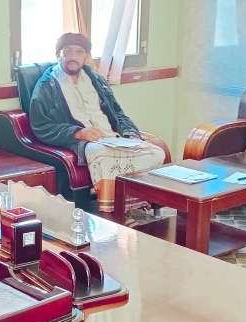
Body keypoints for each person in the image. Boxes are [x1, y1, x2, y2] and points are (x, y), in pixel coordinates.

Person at [28, 32, 169, 212]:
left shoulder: (97, 80)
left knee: (157, 153)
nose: (73, 57)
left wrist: (131, 134)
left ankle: (135, 207)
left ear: (86, 56)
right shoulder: (47, 85)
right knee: (101, 156)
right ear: (58, 55)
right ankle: (112, 211)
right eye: (67, 51)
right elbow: (41, 126)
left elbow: (117, 113)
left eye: (79, 52)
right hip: (89, 144)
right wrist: (77, 132)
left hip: (114, 139)